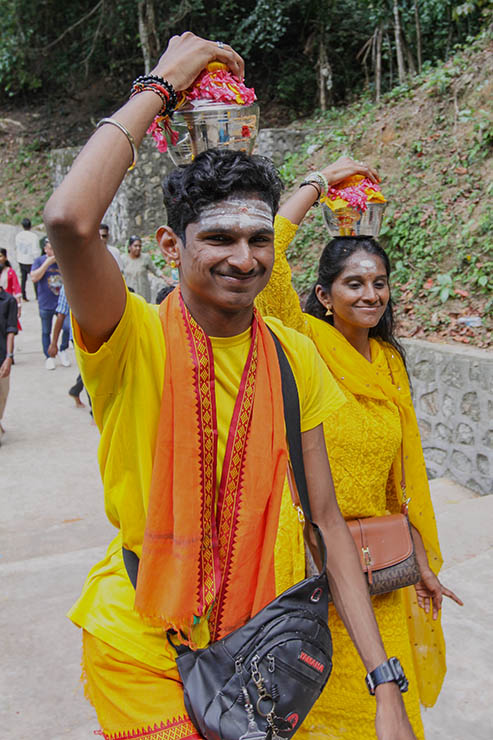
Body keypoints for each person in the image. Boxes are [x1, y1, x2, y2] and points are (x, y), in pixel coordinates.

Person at [44, 33, 417, 740]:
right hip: (139, 647)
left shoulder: (288, 354)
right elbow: (69, 220)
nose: (242, 258)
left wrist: (383, 683)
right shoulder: (131, 338)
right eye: (217, 238)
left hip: (250, 651)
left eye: (258, 239)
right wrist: (161, 83)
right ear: (169, 245)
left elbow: (327, 523)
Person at [256, 156, 463, 740]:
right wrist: (318, 184)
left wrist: (420, 560)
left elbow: (407, 476)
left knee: (392, 714)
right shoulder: (298, 341)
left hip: (385, 580)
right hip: (317, 570)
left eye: (379, 282)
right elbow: (268, 259)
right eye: (354, 283)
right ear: (323, 295)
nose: (370, 294)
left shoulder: (390, 360)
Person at [31, 237, 71, 370]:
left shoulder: (63, 261)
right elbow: (34, 277)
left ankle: (63, 349)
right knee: (46, 330)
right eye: (50, 248)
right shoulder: (39, 261)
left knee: (66, 328)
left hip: (63, 302)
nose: (54, 251)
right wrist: (47, 263)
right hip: (46, 302)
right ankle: (49, 356)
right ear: (45, 249)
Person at [48, 285, 87, 408]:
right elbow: (61, 315)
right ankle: (93, 413)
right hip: (79, 337)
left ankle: (75, 390)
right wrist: (54, 343)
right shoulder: (69, 286)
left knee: (89, 370)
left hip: (98, 333)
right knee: (88, 371)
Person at [0, 284, 17, 445]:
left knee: (2, 395)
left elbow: (10, 331)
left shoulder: (8, 301)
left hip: (1, 356)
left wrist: (9, 356)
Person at [122, 234, 161, 301]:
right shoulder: (123, 259)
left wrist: (166, 279)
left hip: (144, 293)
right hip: (130, 294)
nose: (138, 248)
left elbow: (155, 270)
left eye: (140, 246)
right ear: (129, 247)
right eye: (135, 246)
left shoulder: (145, 258)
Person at [15, 217, 40, 301]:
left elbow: (17, 247)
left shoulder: (19, 236)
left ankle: (24, 295)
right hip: (31, 260)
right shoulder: (33, 236)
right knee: (34, 278)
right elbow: (35, 250)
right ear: (30, 226)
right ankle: (37, 295)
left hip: (21, 259)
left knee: (23, 278)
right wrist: (37, 259)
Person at [0, 248, 22, 329]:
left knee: (9, 327)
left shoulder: (10, 272)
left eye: (0, 256)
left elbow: (16, 288)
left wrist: (19, 306)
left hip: (7, 303)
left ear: (5, 258)